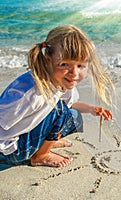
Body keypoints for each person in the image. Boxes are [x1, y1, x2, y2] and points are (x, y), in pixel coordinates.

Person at [0, 25, 114, 168]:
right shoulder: (30, 92)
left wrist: (92, 109)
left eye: (80, 66)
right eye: (64, 64)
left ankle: (46, 143)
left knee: (74, 117)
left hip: (27, 134)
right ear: (48, 58)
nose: (74, 73)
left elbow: (71, 104)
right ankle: (40, 156)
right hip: (12, 150)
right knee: (60, 111)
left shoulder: (62, 81)